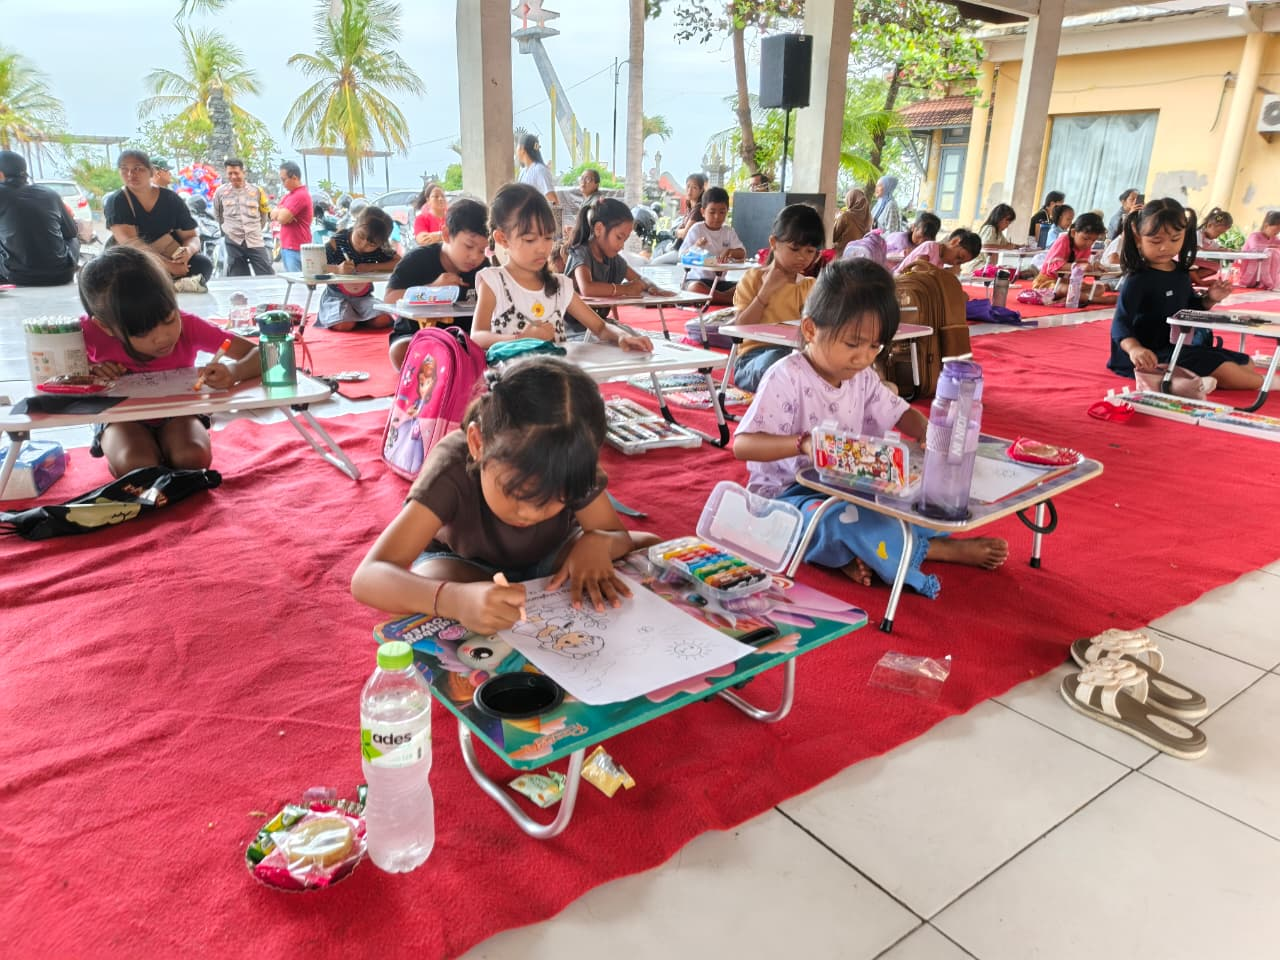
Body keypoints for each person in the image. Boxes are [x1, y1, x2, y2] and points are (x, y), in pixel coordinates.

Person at [733, 258, 1007, 596]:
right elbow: (742, 445)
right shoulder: (786, 376)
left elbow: (902, 413)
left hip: (848, 485)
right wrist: (803, 443)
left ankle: (853, 554)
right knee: (820, 521)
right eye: (852, 344)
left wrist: (927, 432)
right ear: (810, 330)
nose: (863, 357)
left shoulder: (861, 376)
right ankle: (934, 552)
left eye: (875, 346)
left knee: (912, 500)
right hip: (790, 494)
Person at [351, 356, 658, 631]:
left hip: (550, 558)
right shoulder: (451, 468)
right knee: (428, 580)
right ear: (477, 444)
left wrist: (597, 542)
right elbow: (368, 577)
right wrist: (453, 600)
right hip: (467, 566)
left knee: (648, 549)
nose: (531, 514)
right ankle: (478, 599)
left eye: (556, 499)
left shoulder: (571, 461)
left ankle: (507, 594)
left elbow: (617, 535)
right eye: (519, 494)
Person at [78, 247, 259, 477]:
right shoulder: (87, 333)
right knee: (137, 467)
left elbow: (265, 355)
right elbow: (52, 376)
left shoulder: (189, 325)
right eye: (142, 332)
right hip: (120, 417)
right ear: (105, 327)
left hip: (179, 413)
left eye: (169, 319)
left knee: (192, 458)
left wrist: (234, 371)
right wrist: (90, 372)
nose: (163, 337)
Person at [469, 182, 652, 352]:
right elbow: (477, 337)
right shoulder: (494, 282)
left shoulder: (559, 286)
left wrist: (622, 336)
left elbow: (600, 327)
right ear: (502, 239)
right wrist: (520, 338)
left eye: (548, 237)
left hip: (555, 381)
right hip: (511, 381)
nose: (542, 248)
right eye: (530, 240)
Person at [1108, 198, 1261, 391]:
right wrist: (1134, 348)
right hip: (1149, 352)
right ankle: (1267, 384)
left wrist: (1210, 298)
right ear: (1138, 237)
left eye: (1174, 239)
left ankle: (1194, 380)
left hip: (1179, 346)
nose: (1165, 247)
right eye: (1156, 241)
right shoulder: (1138, 279)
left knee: (1246, 363)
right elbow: (1120, 322)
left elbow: (1189, 310)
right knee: (1229, 372)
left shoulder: (1180, 274)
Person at [385, 197, 491, 367]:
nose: (475, 257)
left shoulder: (483, 268)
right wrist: (432, 289)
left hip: (465, 336)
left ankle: (453, 362)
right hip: (416, 334)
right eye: (469, 246)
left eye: (482, 250)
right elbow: (390, 298)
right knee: (401, 353)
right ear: (447, 235)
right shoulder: (417, 260)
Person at [729, 204, 823, 393]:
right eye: (794, 249)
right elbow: (740, 329)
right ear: (773, 242)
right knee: (776, 363)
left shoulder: (809, 285)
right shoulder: (754, 279)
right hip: (753, 360)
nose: (802, 258)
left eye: (810, 251)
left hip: (795, 354)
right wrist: (765, 293)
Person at [104, 149, 212, 292]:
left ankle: (166, 285)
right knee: (127, 274)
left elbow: (191, 236)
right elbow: (131, 244)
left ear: (151, 171)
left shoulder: (171, 199)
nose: (130, 174)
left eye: (137, 169)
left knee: (202, 264)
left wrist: (187, 251)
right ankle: (167, 285)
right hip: (135, 259)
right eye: (124, 169)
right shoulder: (117, 201)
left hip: (166, 251)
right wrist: (168, 266)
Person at [564, 198, 671, 328]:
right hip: (571, 329)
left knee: (635, 340)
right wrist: (625, 289)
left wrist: (654, 288)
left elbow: (640, 278)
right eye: (619, 237)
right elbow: (587, 288)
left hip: (597, 326)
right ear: (599, 229)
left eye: (624, 240)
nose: (621, 245)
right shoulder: (581, 252)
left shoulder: (613, 259)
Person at [316, 205, 401, 331]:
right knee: (345, 324)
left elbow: (399, 262)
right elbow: (316, 266)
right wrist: (337, 270)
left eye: (371, 244)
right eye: (360, 236)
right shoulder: (337, 242)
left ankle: (359, 318)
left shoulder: (379, 249)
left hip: (364, 298)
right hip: (336, 297)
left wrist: (372, 266)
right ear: (355, 224)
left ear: (380, 243)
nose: (363, 245)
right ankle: (356, 319)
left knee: (383, 319)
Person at [0, 150, 79, 286]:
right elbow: (71, 232)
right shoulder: (50, 193)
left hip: (17, 277)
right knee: (73, 238)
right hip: (62, 275)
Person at [678, 185, 746, 306]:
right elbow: (682, 255)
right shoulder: (697, 229)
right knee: (695, 288)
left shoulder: (728, 231)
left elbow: (742, 254)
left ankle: (713, 298)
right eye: (712, 212)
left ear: (727, 212)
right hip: (697, 280)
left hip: (719, 282)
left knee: (746, 285)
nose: (717, 217)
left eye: (722, 212)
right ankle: (728, 299)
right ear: (703, 212)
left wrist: (730, 251)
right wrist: (696, 246)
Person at [213, 157, 273, 277]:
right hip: (233, 241)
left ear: (243, 172)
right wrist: (229, 230)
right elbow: (218, 215)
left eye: (236, 173)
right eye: (230, 173)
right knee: (239, 279)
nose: (233, 176)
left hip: (254, 240)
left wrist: (255, 229)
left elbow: (264, 214)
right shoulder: (220, 192)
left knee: (267, 275)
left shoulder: (257, 191)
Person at [1032, 212, 1107, 302]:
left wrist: (1094, 267)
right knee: (1066, 289)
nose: (1089, 243)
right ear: (1073, 232)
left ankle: (1075, 298)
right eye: (1086, 238)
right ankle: (1097, 300)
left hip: (1070, 282)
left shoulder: (1085, 246)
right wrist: (1078, 266)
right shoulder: (1063, 240)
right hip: (1049, 281)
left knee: (1100, 288)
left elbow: (1082, 268)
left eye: (1093, 240)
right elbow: (1052, 266)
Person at [271, 161, 312, 273]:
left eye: (284, 180)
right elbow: (273, 214)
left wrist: (281, 213)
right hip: (288, 246)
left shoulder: (300, 195)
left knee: (298, 285)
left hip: (296, 248)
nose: (282, 183)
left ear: (294, 177)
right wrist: (282, 213)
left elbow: (281, 218)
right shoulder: (289, 196)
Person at [895, 230, 982, 274]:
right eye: (958, 257)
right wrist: (945, 273)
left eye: (959, 262)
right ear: (954, 241)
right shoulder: (930, 247)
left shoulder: (940, 262)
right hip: (901, 284)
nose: (955, 262)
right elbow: (917, 272)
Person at [1189, 207, 1233, 283]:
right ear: (1209, 225)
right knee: (1192, 265)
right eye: (1218, 232)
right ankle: (1198, 281)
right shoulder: (1198, 233)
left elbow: (1218, 247)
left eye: (1221, 234)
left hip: (1195, 264)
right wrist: (1218, 250)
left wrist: (1225, 249)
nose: (1218, 235)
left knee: (1215, 266)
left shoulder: (1209, 240)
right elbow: (1198, 249)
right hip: (1187, 263)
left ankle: (1190, 280)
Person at [1239, 211, 1280, 290]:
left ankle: (1266, 281)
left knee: (1275, 254)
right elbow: (1255, 248)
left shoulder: (1274, 238)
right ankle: (1255, 281)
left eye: (1278, 232)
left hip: (1264, 264)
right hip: (1251, 265)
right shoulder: (1254, 236)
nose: (1277, 233)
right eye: (1275, 230)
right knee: (1272, 252)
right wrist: (1272, 247)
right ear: (1266, 226)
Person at [516, 134, 557, 210]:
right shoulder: (523, 172)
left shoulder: (540, 170)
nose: (516, 152)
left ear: (522, 149)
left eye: (517, 147)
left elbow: (554, 201)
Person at [412, 182, 447, 247]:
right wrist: (445, 235)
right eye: (436, 196)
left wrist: (435, 236)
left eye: (443, 196)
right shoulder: (422, 218)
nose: (440, 199)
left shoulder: (453, 216)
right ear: (428, 200)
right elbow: (423, 239)